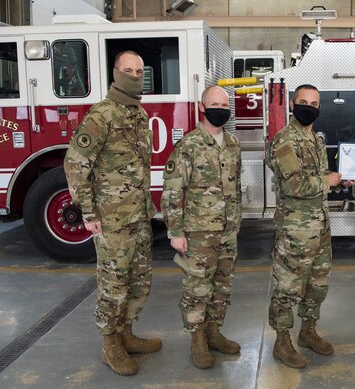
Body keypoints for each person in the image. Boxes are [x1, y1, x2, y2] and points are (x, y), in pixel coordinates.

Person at [64, 50, 160, 376]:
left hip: (138, 216)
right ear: (116, 73)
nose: (135, 76)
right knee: (113, 285)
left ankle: (126, 334)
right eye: (128, 70)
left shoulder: (138, 114)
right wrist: (89, 212)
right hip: (111, 220)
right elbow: (75, 164)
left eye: (139, 70)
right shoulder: (100, 116)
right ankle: (110, 345)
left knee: (139, 282)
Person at [266, 84, 350, 369]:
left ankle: (308, 331)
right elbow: (295, 184)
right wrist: (329, 181)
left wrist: (338, 176)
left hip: (320, 226)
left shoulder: (313, 138)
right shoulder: (285, 141)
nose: (309, 107)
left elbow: (315, 175)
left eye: (314, 103)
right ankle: (282, 341)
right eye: (303, 101)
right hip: (296, 231)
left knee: (317, 285)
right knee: (288, 288)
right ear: (292, 104)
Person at [161, 86, 242, 369]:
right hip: (198, 232)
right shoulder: (189, 146)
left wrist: (236, 223)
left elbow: (236, 188)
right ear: (202, 107)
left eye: (224, 103)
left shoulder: (232, 144)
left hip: (228, 230)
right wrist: (176, 232)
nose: (221, 108)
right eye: (215, 103)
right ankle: (197, 339)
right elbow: (172, 192)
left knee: (222, 285)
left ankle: (214, 332)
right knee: (197, 287)